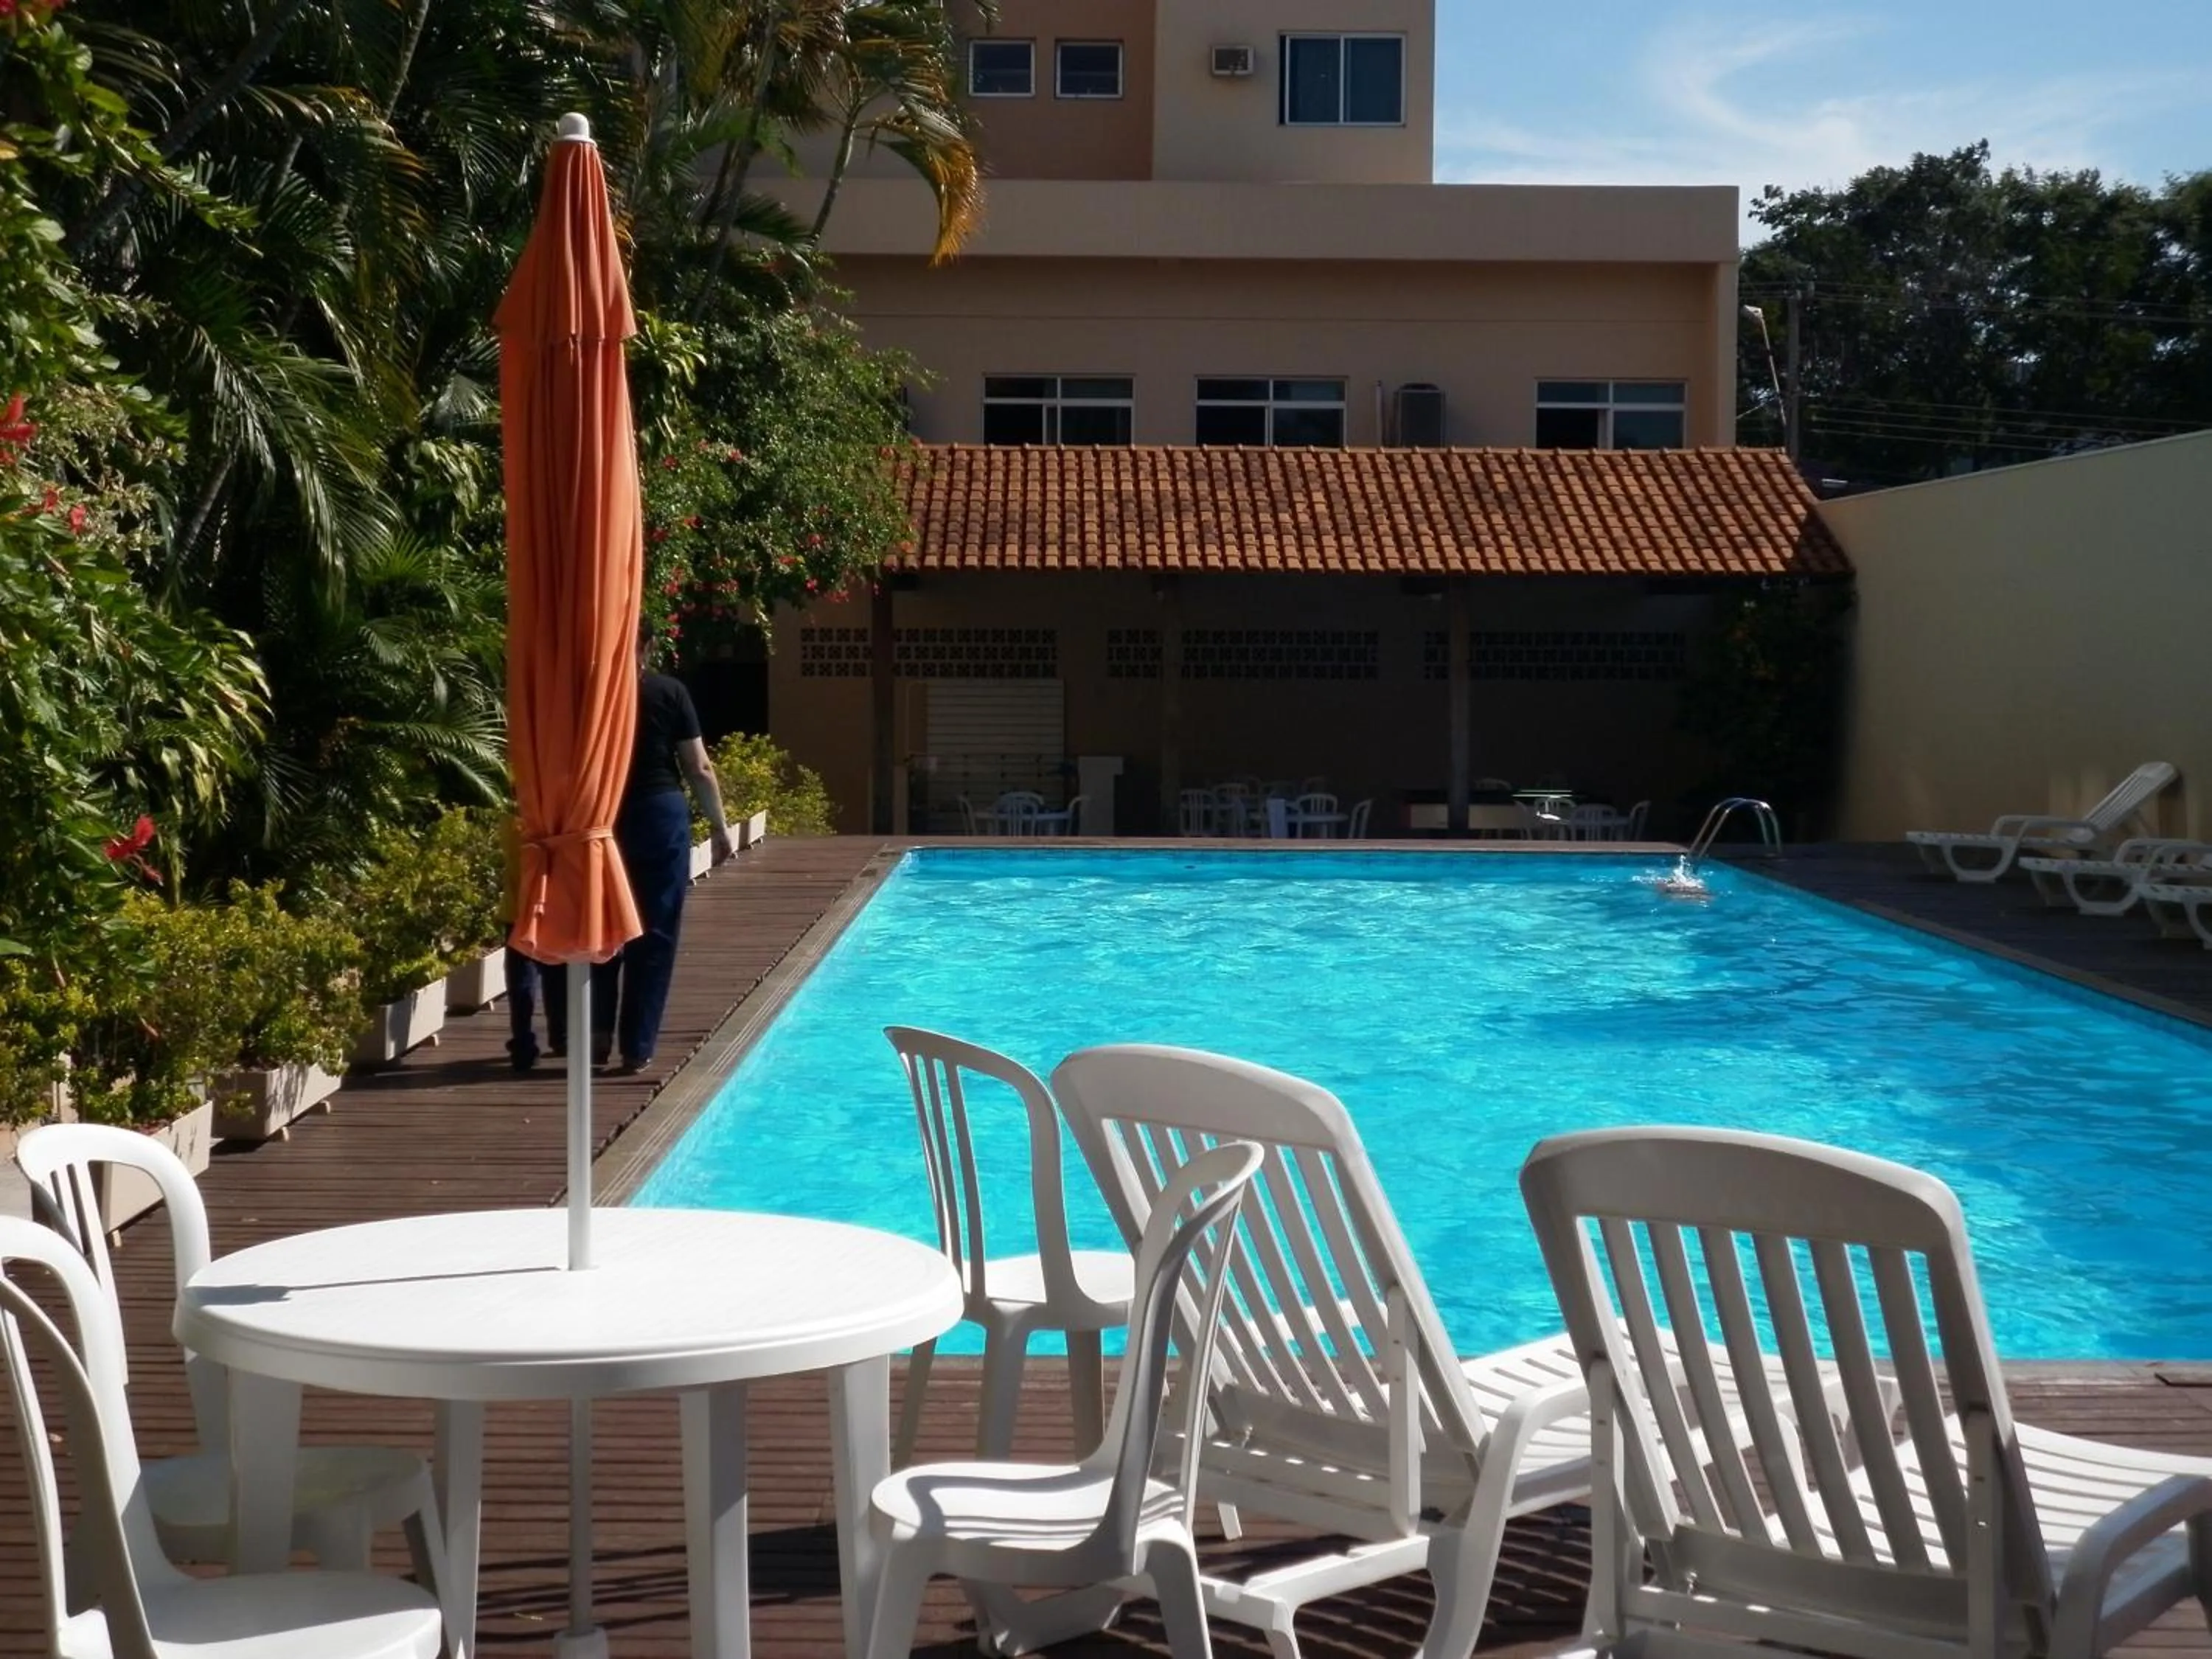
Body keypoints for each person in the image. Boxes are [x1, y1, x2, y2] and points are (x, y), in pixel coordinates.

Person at [591, 624, 735, 1073]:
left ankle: (596, 1034)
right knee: (656, 931)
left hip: (603, 814)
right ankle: (637, 1045)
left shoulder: (590, 693)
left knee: (602, 923)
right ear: (650, 646)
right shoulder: (669, 692)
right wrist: (720, 826)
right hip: (658, 813)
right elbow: (698, 766)